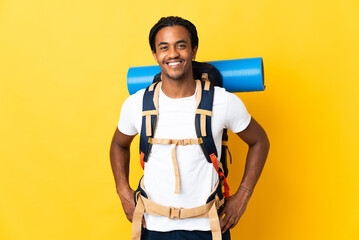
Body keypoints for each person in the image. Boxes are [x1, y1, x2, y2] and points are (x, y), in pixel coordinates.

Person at [110, 16, 270, 240]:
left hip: (208, 228)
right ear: (155, 55)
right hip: (152, 226)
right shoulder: (136, 104)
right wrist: (123, 191)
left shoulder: (222, 101)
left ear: (193, 51)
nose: (173, 54)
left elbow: (259, 140)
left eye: (181, 45)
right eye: (164, 47)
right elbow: (118, 144)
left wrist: (243, 194)